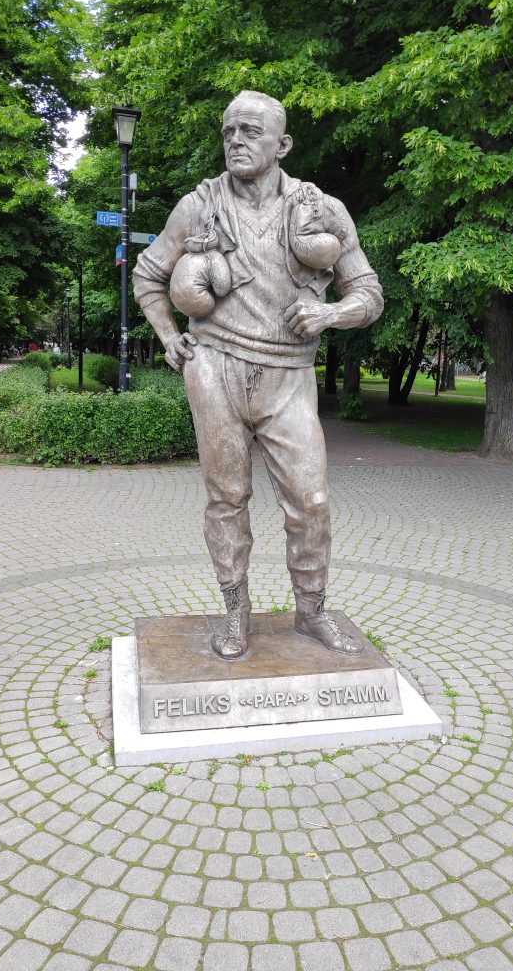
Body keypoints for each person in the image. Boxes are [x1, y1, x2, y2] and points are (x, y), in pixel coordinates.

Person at [132, 91, 383, 661]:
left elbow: (367, 293)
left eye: (250, 131)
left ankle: (312, 612)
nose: (236, 141)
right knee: (226, 498)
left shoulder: (320, 209)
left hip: (289, 375)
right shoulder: (199, 207)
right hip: (215, 366)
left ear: (282, 144)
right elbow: (148, 276)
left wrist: (330, 313)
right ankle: (235, 613)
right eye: (228, 132)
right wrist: (171, 337)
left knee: (311, 498)